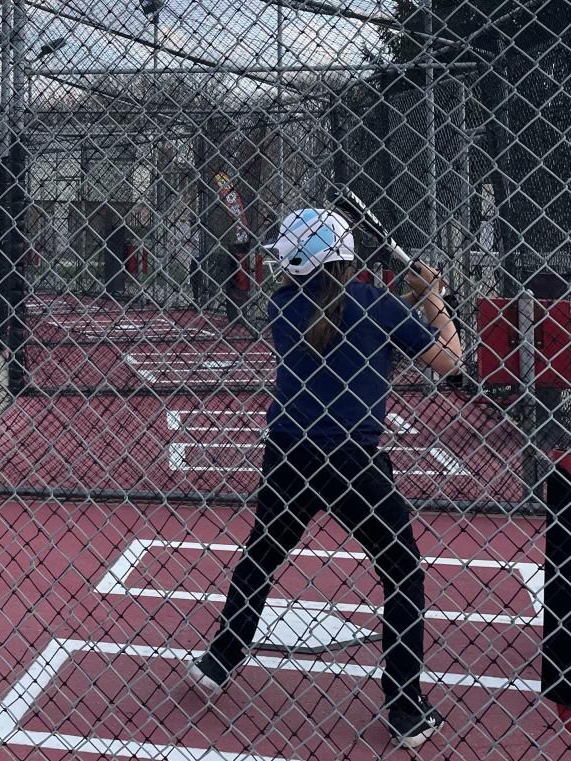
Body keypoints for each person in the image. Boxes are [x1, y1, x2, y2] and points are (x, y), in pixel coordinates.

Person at [185, 208, 463, 749]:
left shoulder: (282, 306)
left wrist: (414, 301)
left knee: (264, 552)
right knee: (402, 573)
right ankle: (405, 706)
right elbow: (450, 361)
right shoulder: (376, 306)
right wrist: (434, 298)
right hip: (354, 463)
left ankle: (221, 658)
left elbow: (337, 314)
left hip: (288, 454)